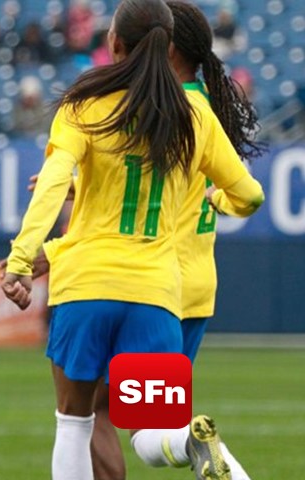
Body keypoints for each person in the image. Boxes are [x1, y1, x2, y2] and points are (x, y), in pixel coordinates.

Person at [0, 1, 265, 479]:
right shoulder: (195, 117)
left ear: (113, 45)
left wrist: (22, 257)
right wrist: (215, 200)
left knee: (75, 423)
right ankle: (190, 442)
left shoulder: (84, 105)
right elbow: (250, 195)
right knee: (149, 431)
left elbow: (55, 181)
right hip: (157, 293)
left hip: (85, 287)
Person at [89, 3, 262, 479]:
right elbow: (242, 193)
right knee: (145, 417)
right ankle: (210, 456)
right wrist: (217, 201)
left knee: (97, 411)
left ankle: (191, 441)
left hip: (157, 285)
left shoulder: (163, 110)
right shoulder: (204, 105)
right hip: (198, 288)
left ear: (163, 47)